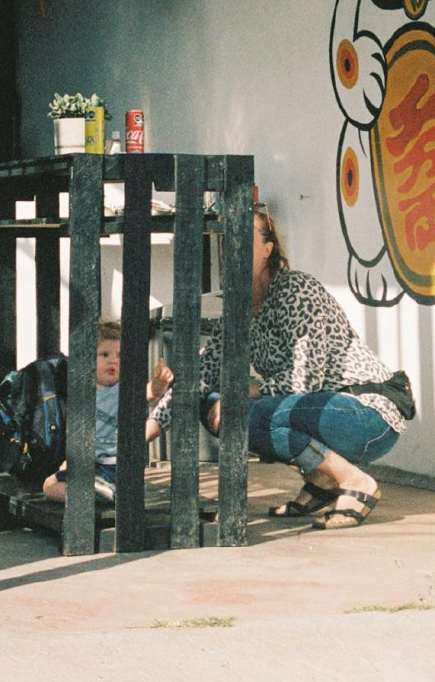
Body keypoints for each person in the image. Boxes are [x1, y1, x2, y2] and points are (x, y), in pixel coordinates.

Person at [152, 208, 413, 530]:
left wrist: (244, 392)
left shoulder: (295, 289)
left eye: (244, 238)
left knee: (246, 411)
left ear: (267, 249)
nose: (233, 247)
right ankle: (322, 480)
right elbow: (203, 372)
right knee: (210, 403)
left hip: (365, 413)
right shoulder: (238, 305)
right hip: (316, 411)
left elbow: (306, 379)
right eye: (227, 240)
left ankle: (355, 481)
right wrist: (148, 430)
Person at [42, 318, 172, 505]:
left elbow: (150, 392)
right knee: (49, 486)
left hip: (114, 467)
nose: (113, 360)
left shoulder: (124, 390)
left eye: (119, 355)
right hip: (89, 465)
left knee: (55, 485)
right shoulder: (81, 390)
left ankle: (100, 492)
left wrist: (159, 382)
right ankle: (96, 493)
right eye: (104, 354)